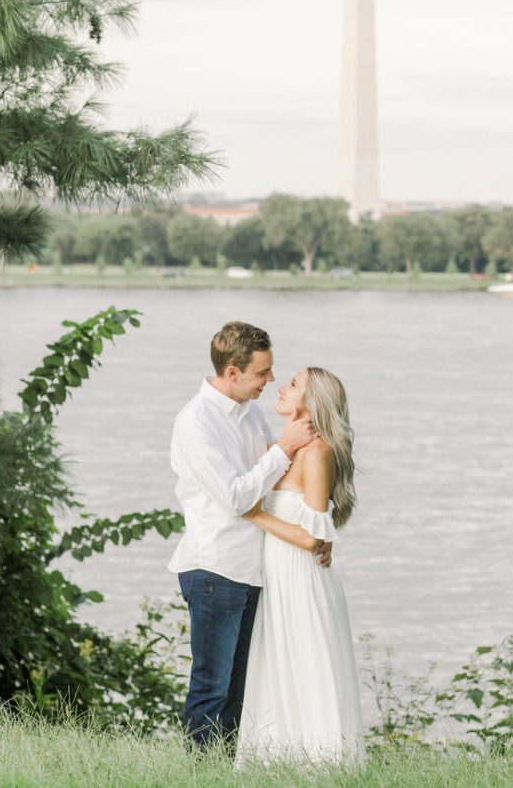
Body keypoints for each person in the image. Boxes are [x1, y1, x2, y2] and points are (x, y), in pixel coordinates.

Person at [167, 321, 327, 750]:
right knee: (212, 685)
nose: (271, 380)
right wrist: (285, 447)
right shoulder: (196, 423)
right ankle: (201, 773)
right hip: (215, 567)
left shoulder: (251, 413)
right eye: (262, 372)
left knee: (241, 689)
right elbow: (238, 497)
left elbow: (274, 485)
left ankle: (228, 770)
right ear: (233, 372)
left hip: (255, 567)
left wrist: (315, 529)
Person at [235, 366, 364, 768]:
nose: (281, 387)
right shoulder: (284, 449)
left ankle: (325, 766)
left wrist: (255, 515)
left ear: (313, 401)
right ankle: (275, 763)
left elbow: (311, 537)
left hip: (303, 580)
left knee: (310, 669)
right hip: (275, 579)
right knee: (276, 668)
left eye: (293, 384)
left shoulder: (318, 453)